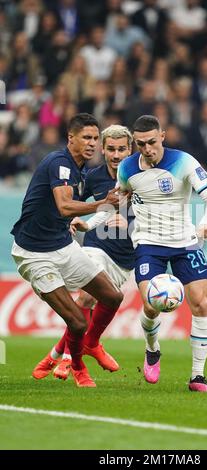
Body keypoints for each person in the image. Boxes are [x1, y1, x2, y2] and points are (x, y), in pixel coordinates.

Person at [11, 113, 124, 388]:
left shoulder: (81, 169)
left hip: (62, 244)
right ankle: (78, 368)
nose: (92, 143)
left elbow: (65, 212)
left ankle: (92, 345)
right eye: (86, 137)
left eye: (96, 138)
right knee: (76, 322)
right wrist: (102, 205)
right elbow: (64, 205)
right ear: (70, 138)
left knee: (112, 296)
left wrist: (73, 222)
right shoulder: (60, 163)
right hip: (35, 254)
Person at [118, 115, 207, 393]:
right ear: (134, 142)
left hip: (185, 241)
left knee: (200, 302)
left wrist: (206, 223)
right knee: (151, 306)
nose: (147, 148)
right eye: (140, 144)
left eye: (152, 141)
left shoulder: (184, 161)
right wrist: (93, 222)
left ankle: (198, 377)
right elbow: (118, 199)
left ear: (163, 135)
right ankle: (153, 350)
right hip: (148, 243)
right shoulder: (127, 168)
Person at [32, 124, 135, 381]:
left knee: (102, 299)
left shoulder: (142, 177)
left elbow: (162, 217)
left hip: (125, 259)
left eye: (121, 149)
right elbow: (70, 202)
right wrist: (74, 221)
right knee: (86, 299)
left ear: (130, 150)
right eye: (110, 149)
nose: (116, 155)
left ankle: (57, 352)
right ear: (103, 149)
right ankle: (71, 359)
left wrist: (131, 224)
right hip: (95, 247)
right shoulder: (93, 177)